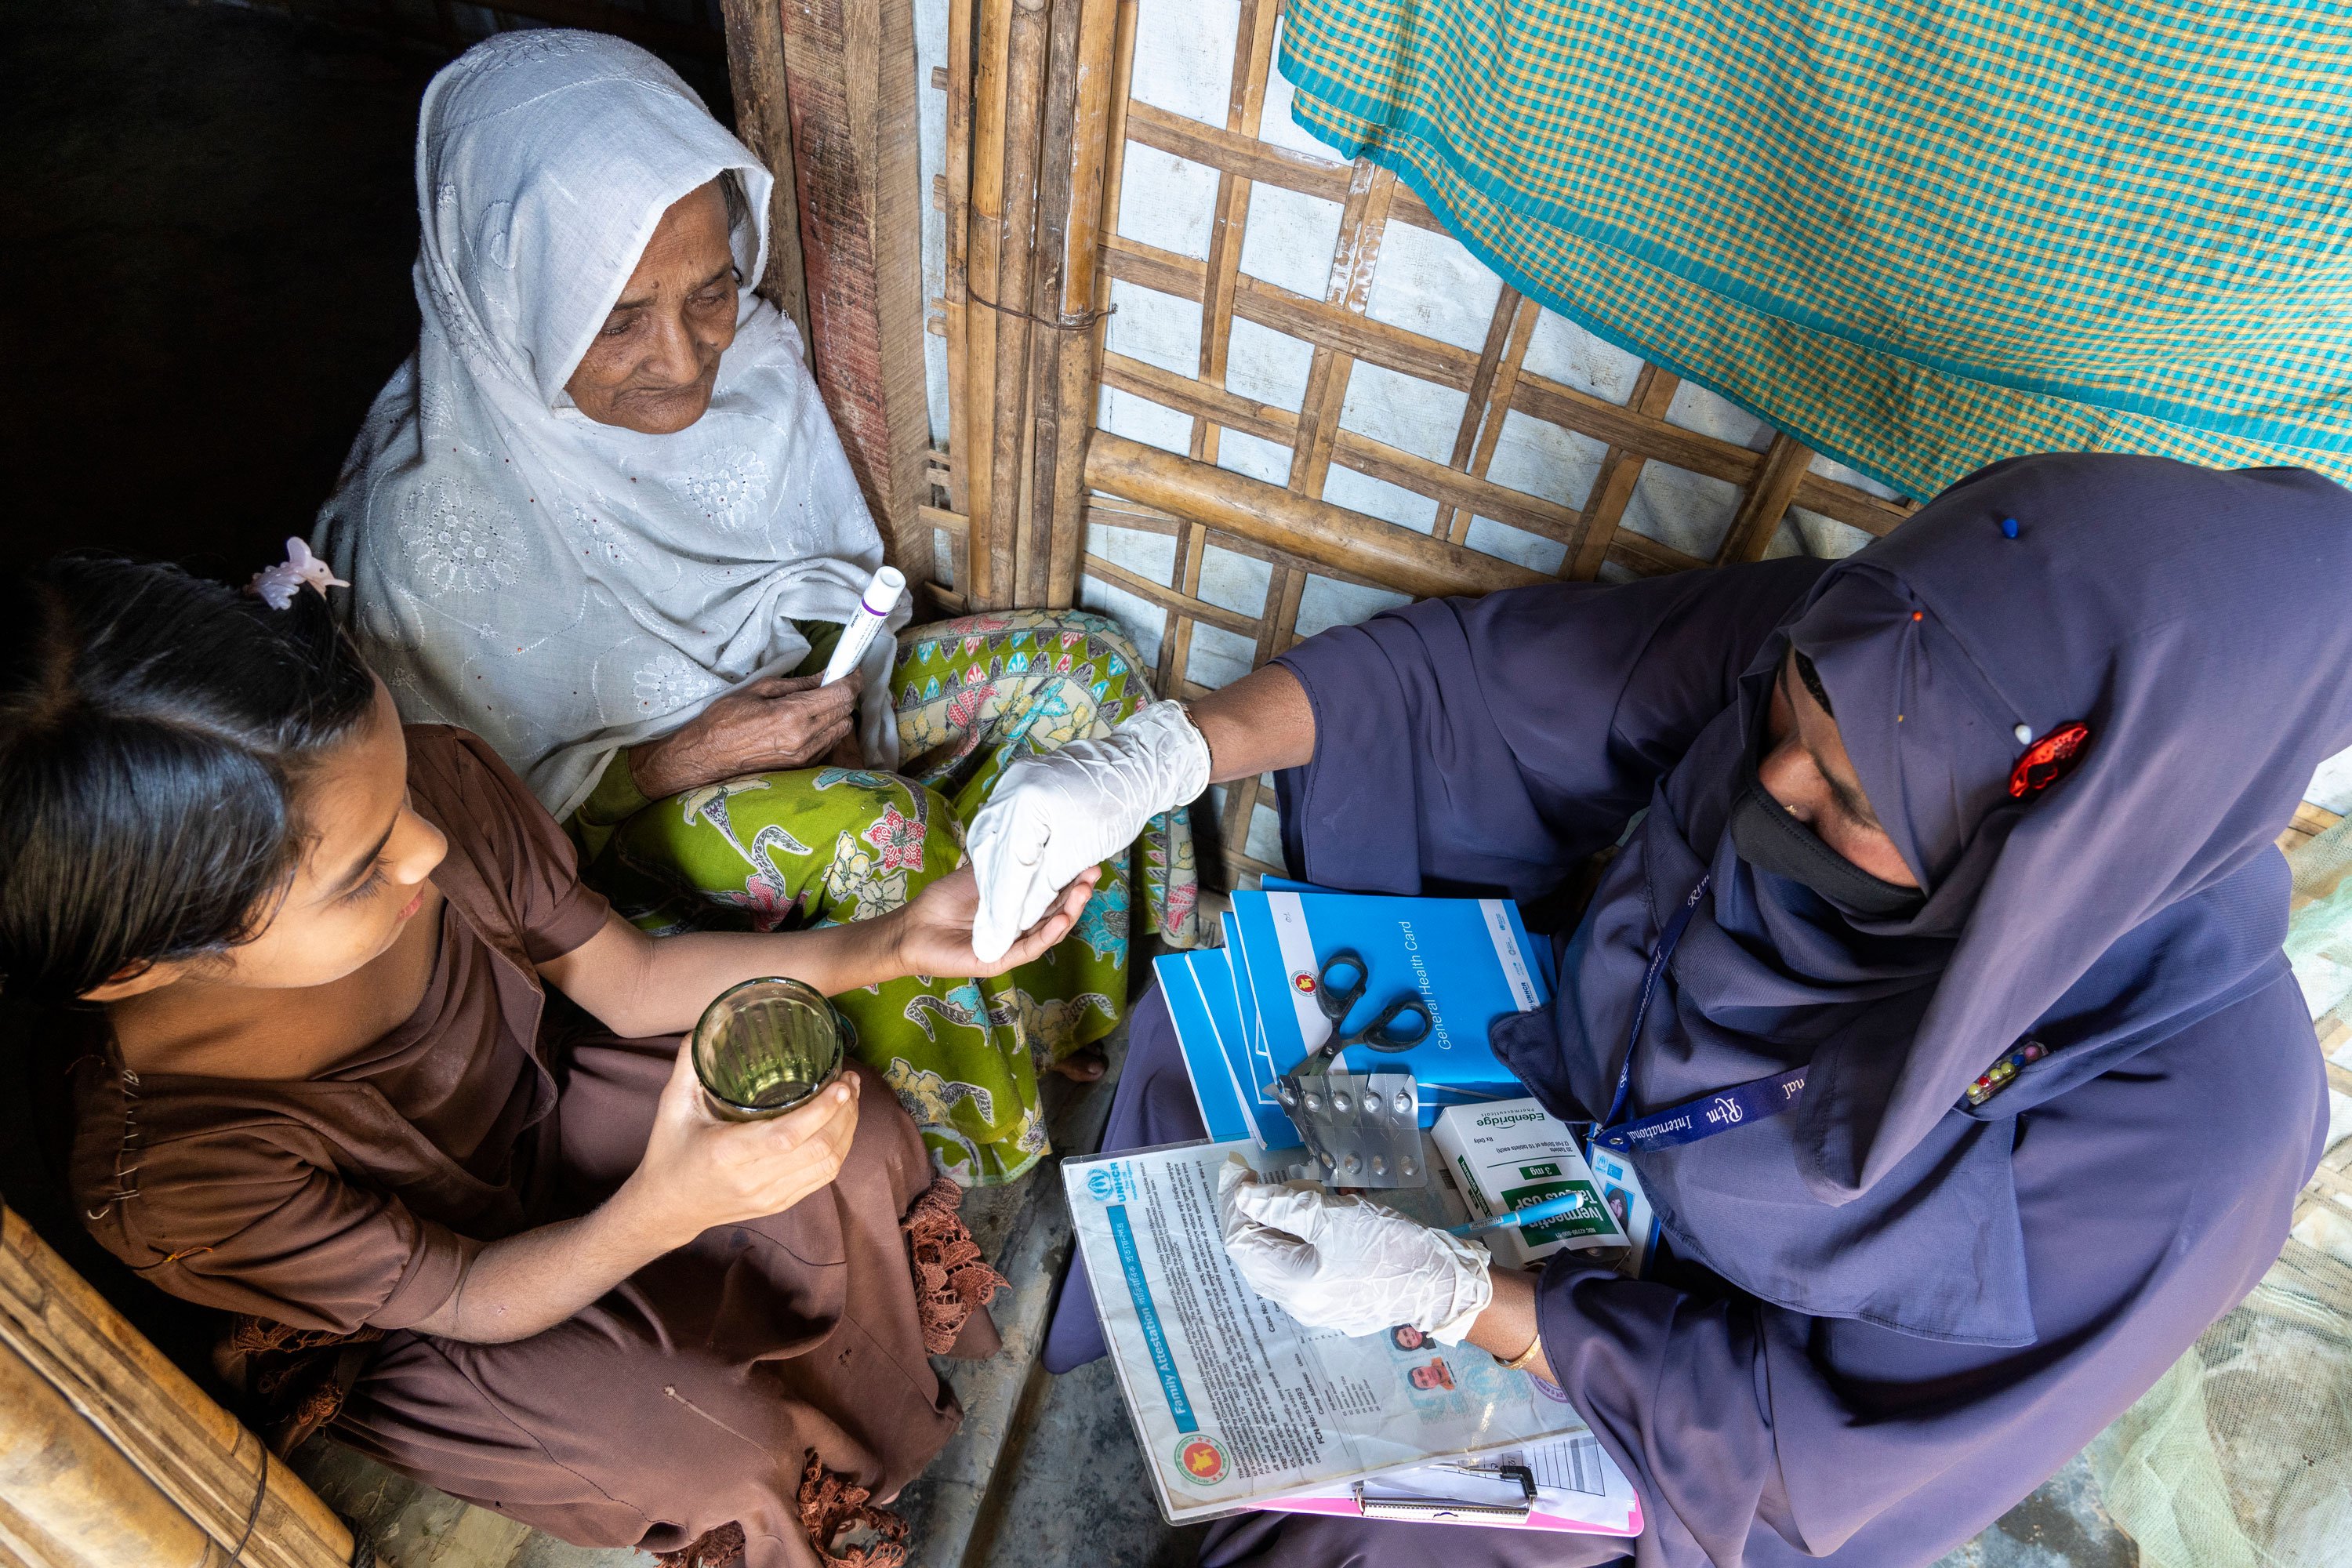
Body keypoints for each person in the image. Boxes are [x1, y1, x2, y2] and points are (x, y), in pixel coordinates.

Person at [975, 455, 2350, 1566]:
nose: (1777, 795)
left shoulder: (2192, 1137)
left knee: (1401, 1540)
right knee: (1212, 1084)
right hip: (1554, 1088)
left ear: (2057, 848)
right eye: (1788, 721)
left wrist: (1467, 1298)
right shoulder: (1858, 652)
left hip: (1698, 1381)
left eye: (1854, 806)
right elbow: (1477, 688)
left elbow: (1799, 1463)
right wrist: (1163, 756)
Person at [0, 554, 1093, 1568]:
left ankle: (870, 1414)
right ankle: (788, 1490)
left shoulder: (426, 800)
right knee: (700, 1447)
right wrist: (670, 1203)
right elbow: (468, 1293)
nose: (425, 847)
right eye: (361, 872)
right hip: (427, 1309)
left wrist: (887, 943)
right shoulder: (177, 1174)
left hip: (544, 1087)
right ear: (143, 969)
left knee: (848, 1151)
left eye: (402, 800)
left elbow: (620, 980)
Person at [314, 31, 1196, 1187]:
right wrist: (674, 759)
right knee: (884, 838)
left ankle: (1045, 1017)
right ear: (506, 298)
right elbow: (490, 862)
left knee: (1089, 672)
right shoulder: (430, 532)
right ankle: (979, 1155)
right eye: (616, 317)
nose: (683, 360)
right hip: (617, 853)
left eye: (713, 289)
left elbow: (834, 587)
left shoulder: (757, 364)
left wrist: (838, 661)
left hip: (807, 728)